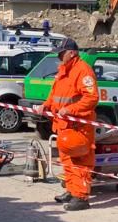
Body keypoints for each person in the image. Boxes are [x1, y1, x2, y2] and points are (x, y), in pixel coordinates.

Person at [41, 38, 98, 211]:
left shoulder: (83, 70)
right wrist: (46, 105)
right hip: (64, 125)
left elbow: (92, 98)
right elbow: (54, 94)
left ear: (71, 53)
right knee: (67, 160)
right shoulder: (64, 70)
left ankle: (81, 197)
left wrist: (71, 110)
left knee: (80, 161)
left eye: (61, 53)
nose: (59, 56)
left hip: (78, 127)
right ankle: (72, 190)